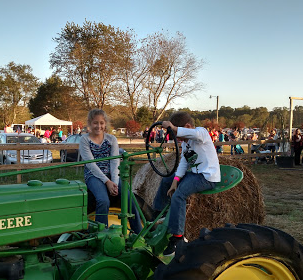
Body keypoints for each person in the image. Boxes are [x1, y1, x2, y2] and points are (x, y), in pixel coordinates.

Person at [152, 111, 220, 256]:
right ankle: (158, 214)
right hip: (194, 174)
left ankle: (178, 238)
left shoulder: (201, 133)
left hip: (207, 177)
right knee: (166, 181)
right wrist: (175, 181)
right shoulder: (186, 143)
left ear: (187, 126)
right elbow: (184, 162)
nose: (176, 138)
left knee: (179, 196)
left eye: (176, 133)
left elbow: (194, 134)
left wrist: (173, 127)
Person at [79, 109, 142, 233]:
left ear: (105, 123)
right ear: (90, 123)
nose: (99, 126)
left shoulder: (111, 139)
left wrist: (114, 181)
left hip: (111, 174)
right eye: (95, 123)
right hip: (93, 176)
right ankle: (102, 234)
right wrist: (107, 182)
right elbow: (91, 164)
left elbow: (114, 162)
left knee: (129, 197)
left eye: (101, 123)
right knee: (103, 200)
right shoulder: (84, 140)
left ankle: (139, 232)